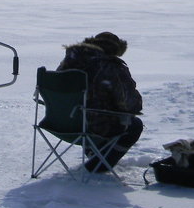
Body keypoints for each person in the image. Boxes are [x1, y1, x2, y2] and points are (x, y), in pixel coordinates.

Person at [57, 31, 143, 172]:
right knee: (133, 125)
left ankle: (95, 153)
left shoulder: (68, 62)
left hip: (61, 123)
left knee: (89, 109)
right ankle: (97, 167)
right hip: (92, 127)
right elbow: (131, 103)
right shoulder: (111, 66)